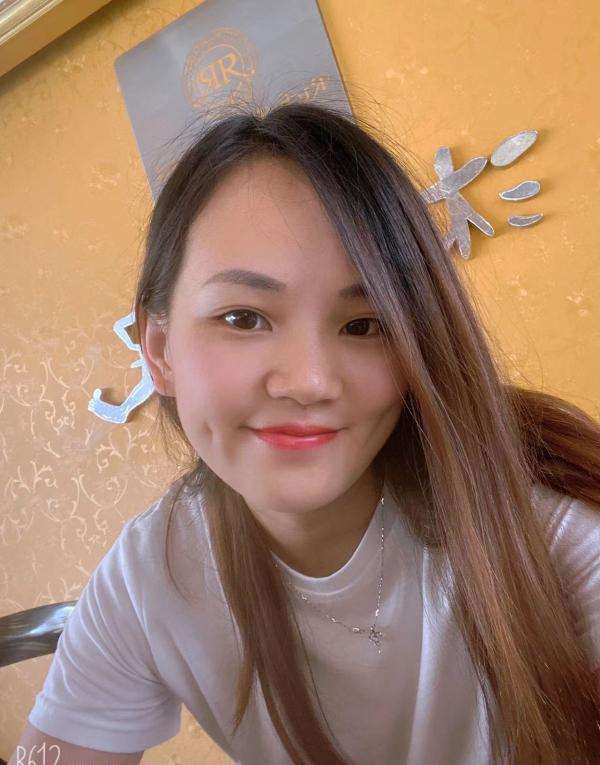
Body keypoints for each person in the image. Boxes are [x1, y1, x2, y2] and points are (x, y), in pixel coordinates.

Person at [10, 101, 600, 765]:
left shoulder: (549, 537)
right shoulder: (151, 576)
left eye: (364, 325)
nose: (312, 381)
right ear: (159, 349)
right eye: (244, 318)